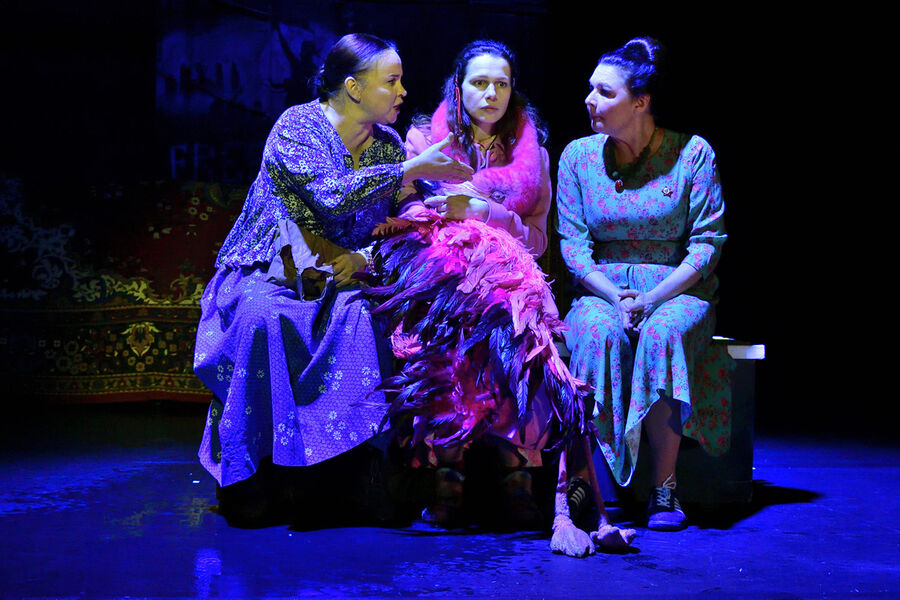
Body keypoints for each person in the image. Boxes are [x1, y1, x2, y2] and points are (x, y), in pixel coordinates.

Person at [366, 40, 635, 554]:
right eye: (480, 82)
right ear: (458, 86)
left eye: (502, 84)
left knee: (518, 330)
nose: (491, 93)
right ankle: (448, 470)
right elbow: (403, 214)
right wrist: (444, 221)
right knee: (447, 325)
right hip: (443, 274)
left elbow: (537, 240)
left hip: (511, 277)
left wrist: (486, 213)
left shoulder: (533, 155)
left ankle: (518, 470)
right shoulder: (423, 140)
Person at [193, 33, 473, 525]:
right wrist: (411, 167)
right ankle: (256, 476)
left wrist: (389, 238)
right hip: (273, 268)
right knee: (263, 317)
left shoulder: (386, 145)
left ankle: (350, 473)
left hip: (343, 276)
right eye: (391, 81)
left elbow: (403, 215)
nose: (403, 91)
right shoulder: (296, 127)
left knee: (364, 317)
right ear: (353, 87)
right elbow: (330, 195)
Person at [557, 37, 728, 531]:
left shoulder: (691, 153)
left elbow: (706, 244)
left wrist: (652, 297)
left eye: (605, 92)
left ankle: (664, 488)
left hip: (677, 288)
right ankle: (587, 485)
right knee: (597, 333)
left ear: (640, 101)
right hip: (601, 288)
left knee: (662, 333)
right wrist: (614, 296)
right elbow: (573, 245)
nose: (590, 99)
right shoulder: (577, 156)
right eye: (590, 88)